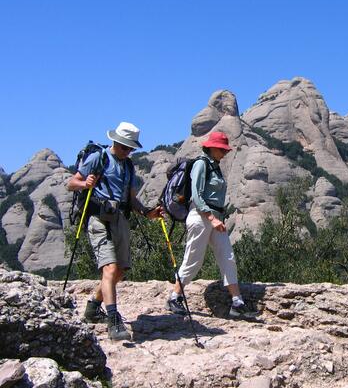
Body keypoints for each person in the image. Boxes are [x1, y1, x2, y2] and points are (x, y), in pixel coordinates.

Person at [67, 121, 163, 341]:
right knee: (109, 269)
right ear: (115, 141)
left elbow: (131, 199)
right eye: (124, 147)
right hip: (98, 218)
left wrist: (147, 213)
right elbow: (71, 183)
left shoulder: (129, 166)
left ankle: (93, 307)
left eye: (130, 148)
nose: (127, 151)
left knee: (120, 270)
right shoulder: (98, 158)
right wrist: (85, 184)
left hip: (120, 218)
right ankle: (113, 322)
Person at [166, 131, 257, 320]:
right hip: (201, 217)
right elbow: (197, 195)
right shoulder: (201, 164)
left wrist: (216, 218)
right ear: (212, 147)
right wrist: (211, 218)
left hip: (214, 218)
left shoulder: (215, 166)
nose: (225, 153)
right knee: (194, 259)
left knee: (228, 257)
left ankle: (237, 302)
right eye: (222, 149)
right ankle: (174, 297)